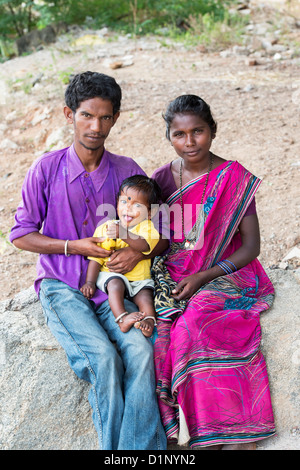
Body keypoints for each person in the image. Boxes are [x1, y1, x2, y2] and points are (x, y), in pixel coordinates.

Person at [9, 71, 167, 450]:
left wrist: (140, 249)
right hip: (62, 286)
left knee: (144, 353)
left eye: (105, 117)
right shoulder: (45, 169)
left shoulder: (128, 171)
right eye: (86, 116)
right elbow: (20, 234)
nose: (96, 127)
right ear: (69, 114)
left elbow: (162, 236)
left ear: (115, 118)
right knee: (103, 359)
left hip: (114, 286)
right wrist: (75, 247)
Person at [151, 94, 275, 450]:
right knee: (163, 331)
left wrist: (204, 277)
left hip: (229, 273)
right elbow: (162, 242)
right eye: (180, 134)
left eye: (198, 132)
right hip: (177, 273)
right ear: (170, 137)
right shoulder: (161, 180)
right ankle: (189, 432)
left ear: (213, 131)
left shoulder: (232, 177)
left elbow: (251, 246)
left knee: (193, 326)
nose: (189, 142)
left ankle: (226, 433)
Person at [81, 175, 161, 337]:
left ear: (150, 212)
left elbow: (144, 245)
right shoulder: (107, 227)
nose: (128, 208)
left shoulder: (148, 228)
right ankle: (122, 318)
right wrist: (89, 282)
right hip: (112, 275)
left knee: (145, 296)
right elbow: (97, 257)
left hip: (139, 279)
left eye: (137, 205)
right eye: (124, 202)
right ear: (117, 203)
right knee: (115, 285)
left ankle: (149, 321)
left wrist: (123, 234)